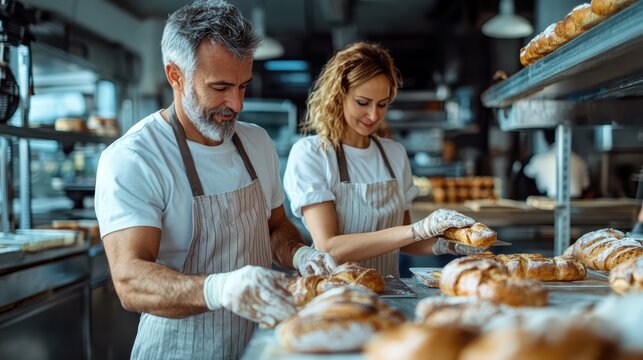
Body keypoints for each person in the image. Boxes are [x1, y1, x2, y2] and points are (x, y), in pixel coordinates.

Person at [94, 1, 337, 358]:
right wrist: (222, 289)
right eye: (220, 86)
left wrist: (300, 254)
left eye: (243, 86)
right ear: (175, 76)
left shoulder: (256, 142)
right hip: (179, 349)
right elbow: (130, 279)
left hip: (259, 343)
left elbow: (274, 226)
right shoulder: (135, 158)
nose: (236, 104)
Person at [283, 41, 482, 278]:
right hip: (335, 296)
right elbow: (329, 246)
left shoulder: (394, 154)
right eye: (363, 103)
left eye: (382, 104)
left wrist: (445, 244)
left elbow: (405, 241)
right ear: (339, 95)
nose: (373, 115)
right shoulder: (312, 153)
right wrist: (419, 229)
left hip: (389, 294)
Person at [523, 129, 590, 198]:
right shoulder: (580, 160)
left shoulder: (539, 159)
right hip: (577, 202)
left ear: (545, 138)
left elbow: (526, 175)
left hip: (548, 201)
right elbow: (585, 186)